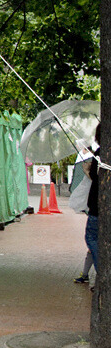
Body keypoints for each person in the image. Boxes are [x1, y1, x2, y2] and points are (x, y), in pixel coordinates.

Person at [84, 123, 101, 288]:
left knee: (92, 238)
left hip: (96, 206)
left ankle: (102, 273)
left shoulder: (100, 155)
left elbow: (96, 180)